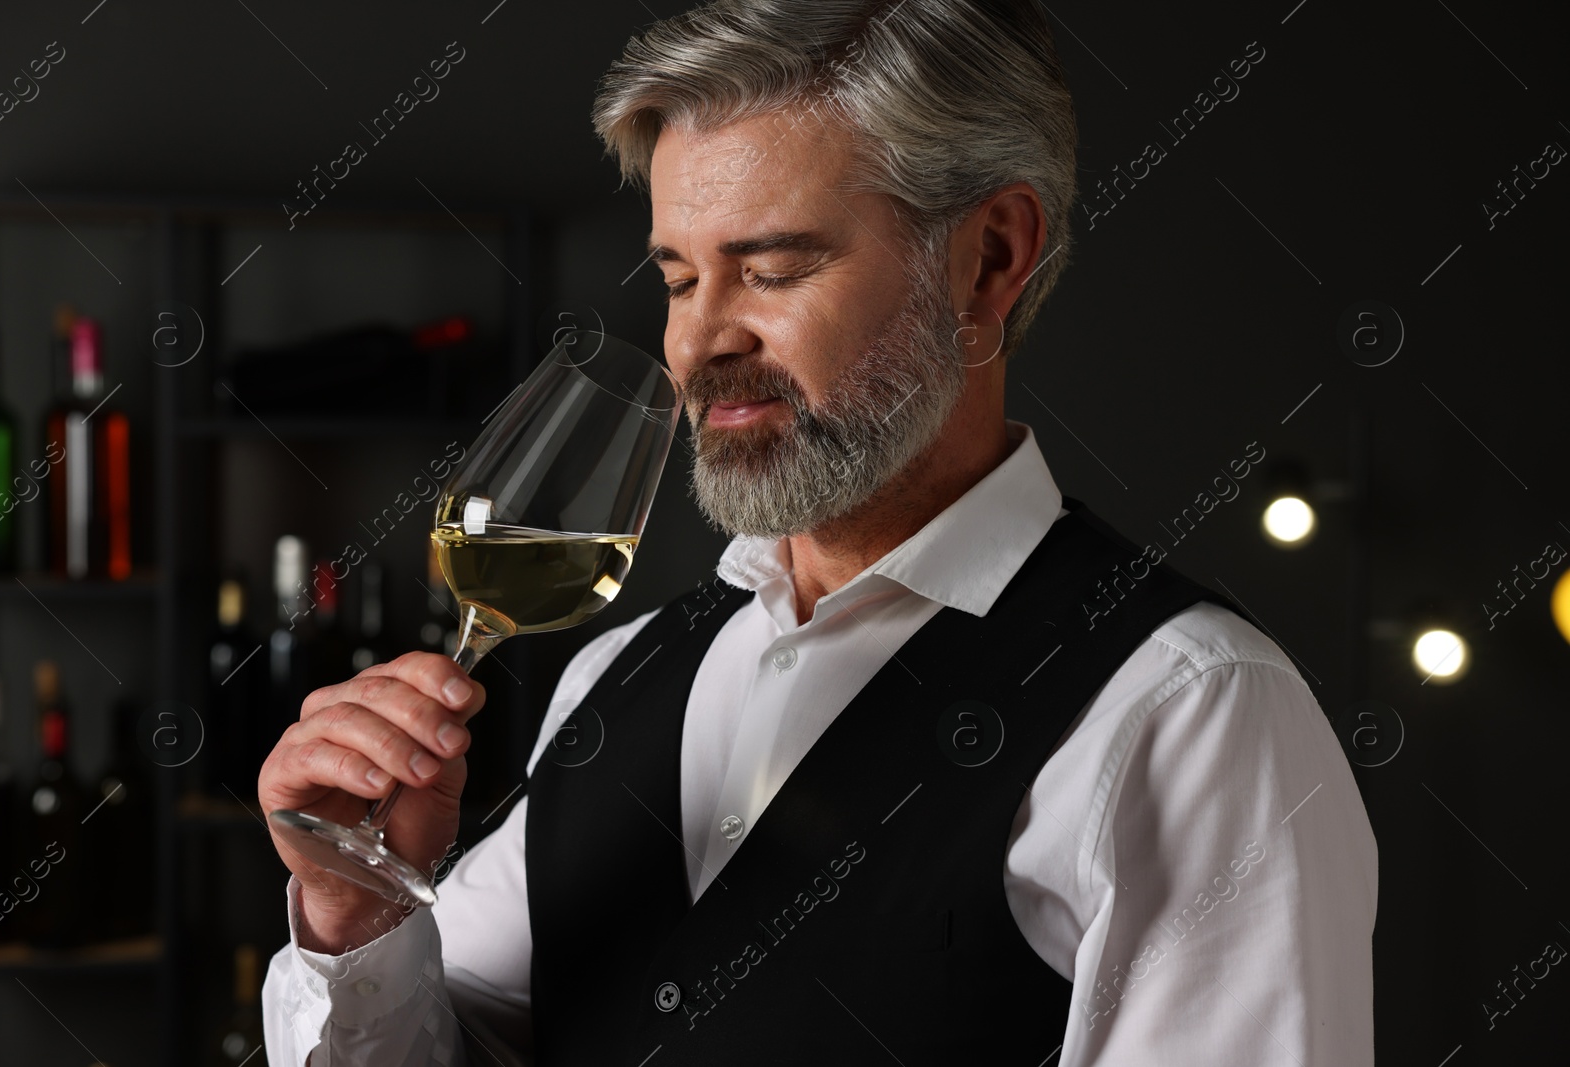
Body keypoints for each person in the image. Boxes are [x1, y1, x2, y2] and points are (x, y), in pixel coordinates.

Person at [259, 1, 1377, 1063]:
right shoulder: (618, 672)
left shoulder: (1188, 711)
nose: (698, 342)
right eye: (679, 275)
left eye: (774, 268)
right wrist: (355, 917)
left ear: (988, 256)